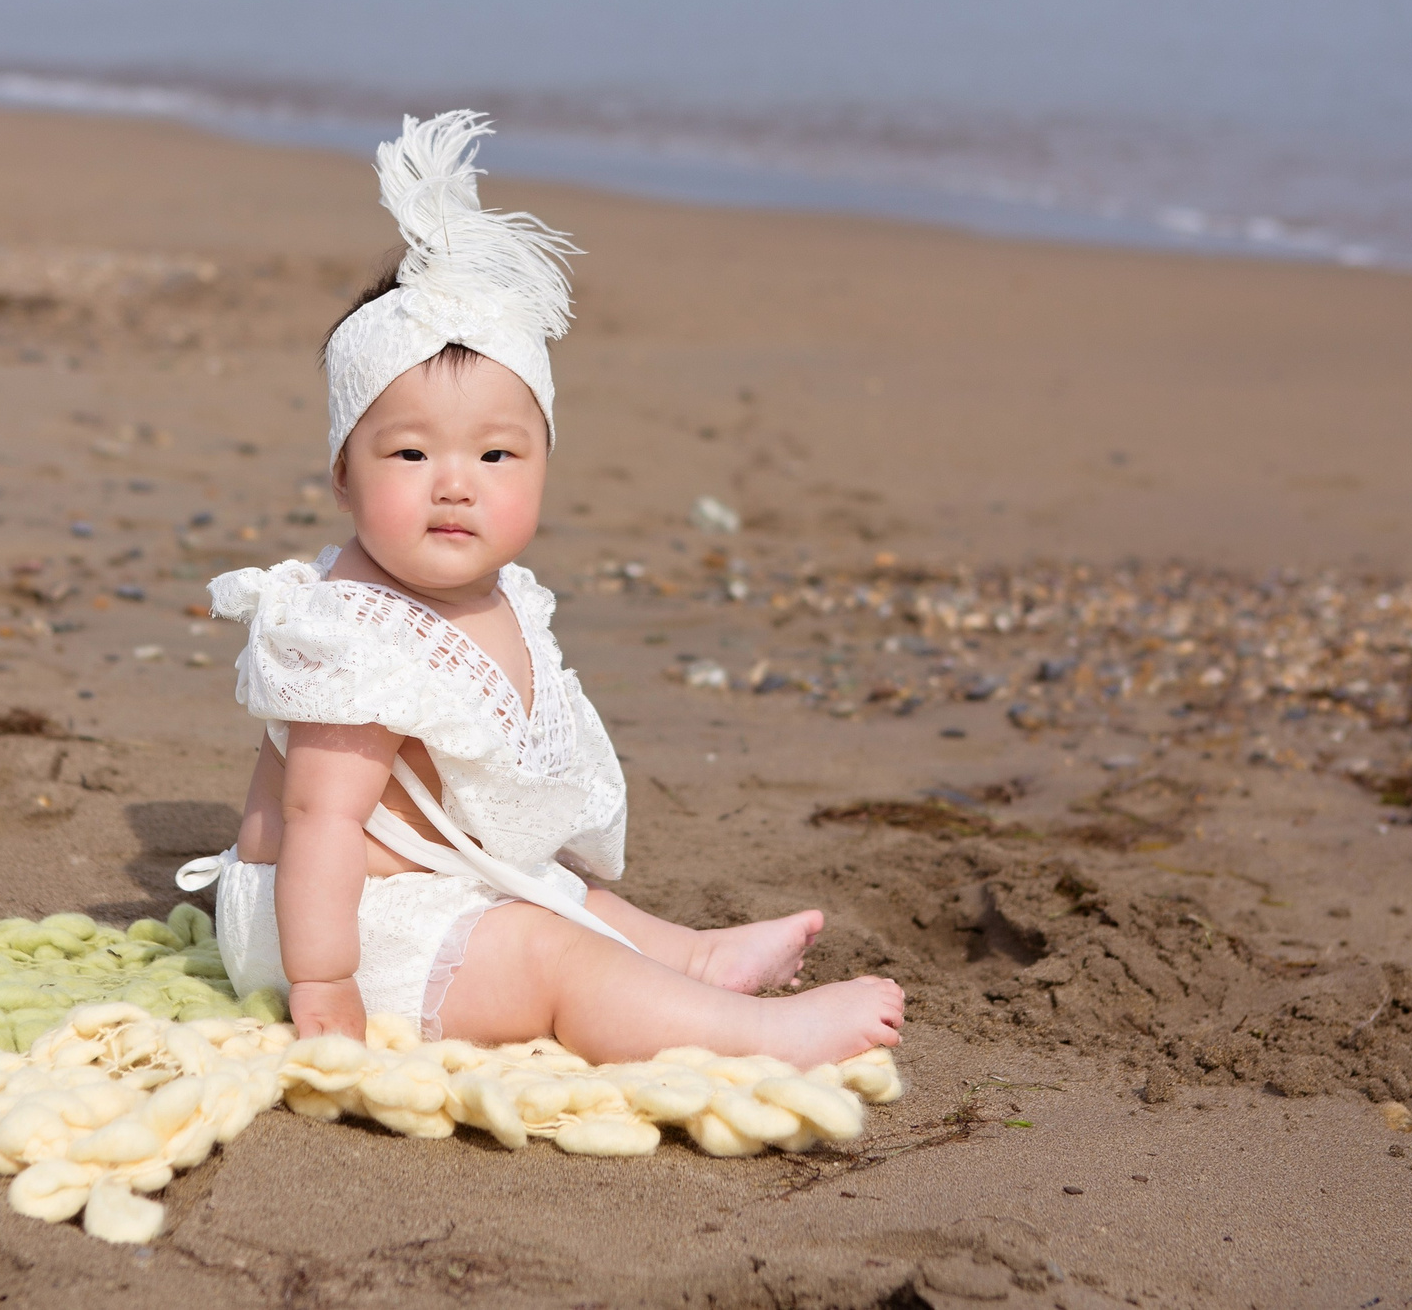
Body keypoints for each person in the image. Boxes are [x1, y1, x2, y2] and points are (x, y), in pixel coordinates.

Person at [178, 112, 903, 1067]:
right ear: (343, 475)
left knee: (562, 891)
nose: (455, 481)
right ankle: (756, 1036)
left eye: (494, 452)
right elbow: (323, 819)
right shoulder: (350, 634)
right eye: (409, 451)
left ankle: (693, 957)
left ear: (544, 463)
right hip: (339, 926)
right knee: (550, 952)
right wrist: (321, 984)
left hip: (441, 890)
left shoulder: (507, 595)